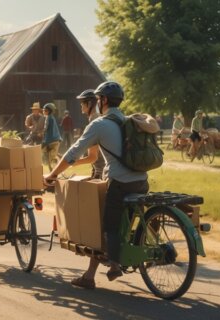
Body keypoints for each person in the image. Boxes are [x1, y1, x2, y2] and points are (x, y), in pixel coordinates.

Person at [44, 81, 149, 289]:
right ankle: (94, 273)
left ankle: (114, 263)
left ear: (103, 101)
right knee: (124, 222)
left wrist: (53, 174)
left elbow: (73, 152)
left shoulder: (99, 124)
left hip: (119, 183)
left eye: (99, 99)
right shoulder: (129, 121)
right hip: (141, 181)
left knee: (107, 225)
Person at [75, 89, 105, 179]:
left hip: (102, 172)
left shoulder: (94, 120)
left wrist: (72, 162)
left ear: (89, 103)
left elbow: (93, 157)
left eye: (82, 103)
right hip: (99, 170)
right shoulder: (99, 117)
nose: (81, 105)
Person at [42, 103, 62, 171]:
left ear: (49, 111)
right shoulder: (52, 118)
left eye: (45, 110)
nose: (43, 112)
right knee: (52, 155)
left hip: (51, 140)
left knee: (46, 154)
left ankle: (54, 170)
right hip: (56, 139)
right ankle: (58, 157)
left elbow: (45, 128)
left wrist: (41, 132)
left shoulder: (48, 118)